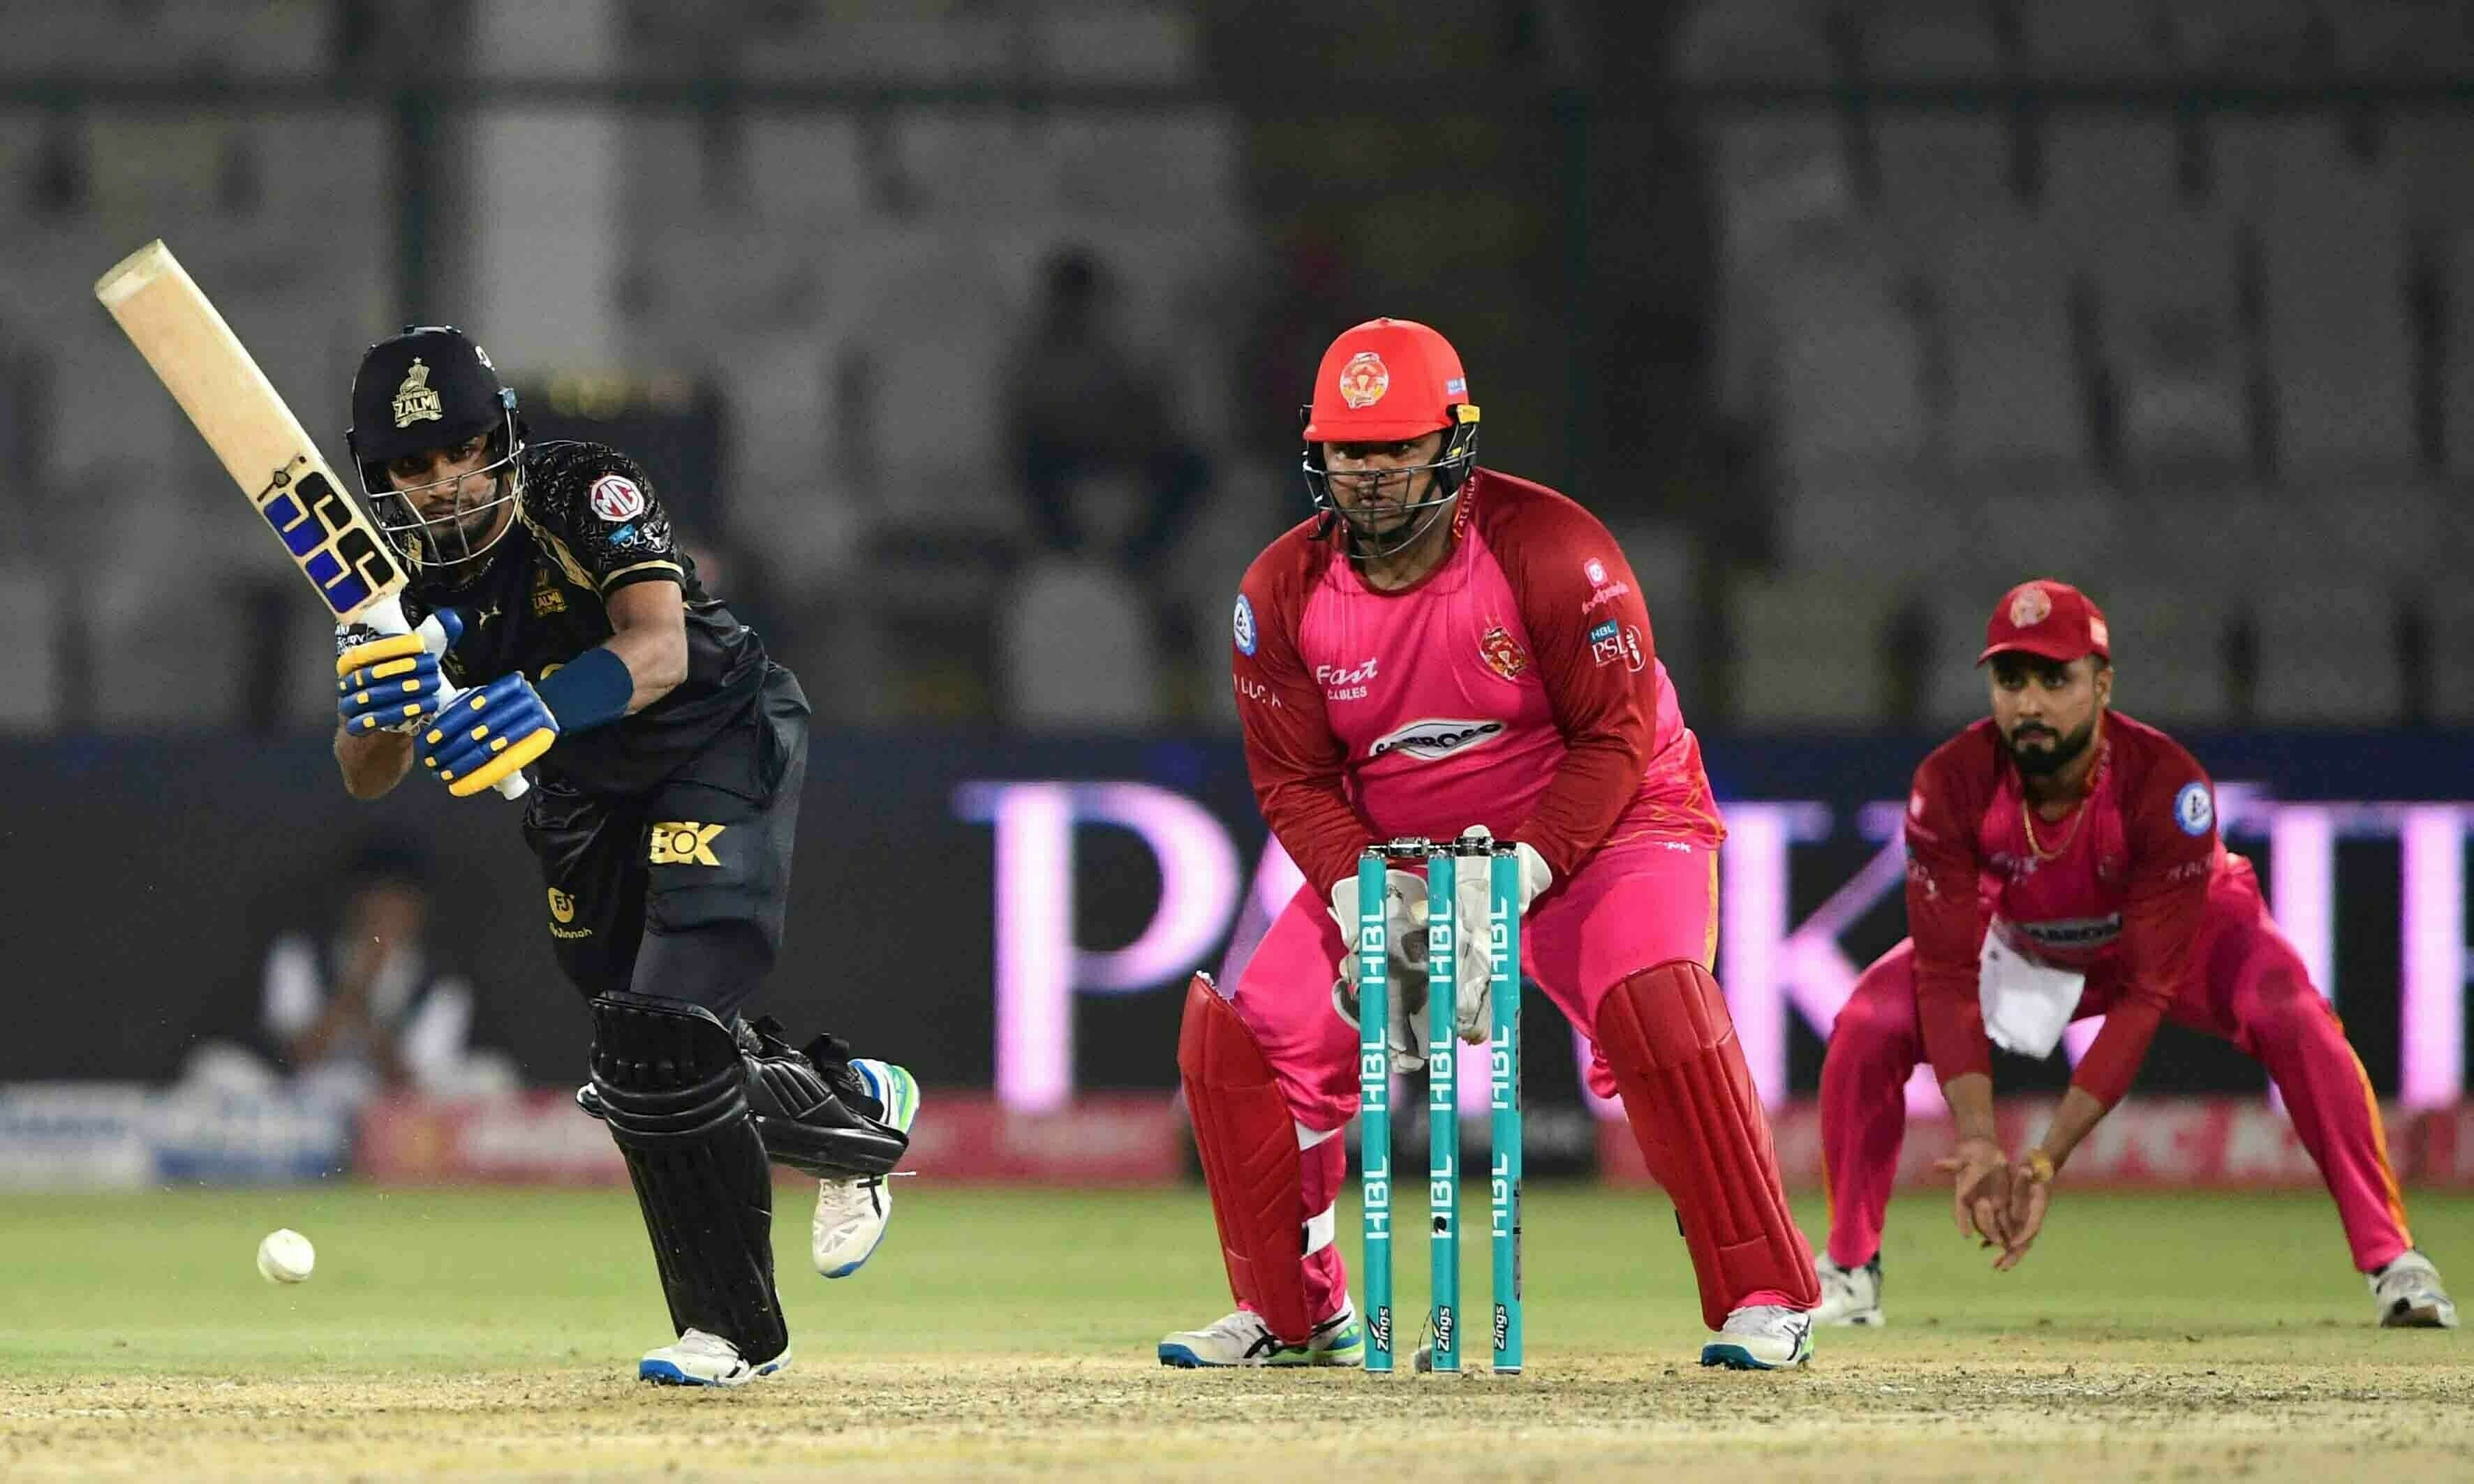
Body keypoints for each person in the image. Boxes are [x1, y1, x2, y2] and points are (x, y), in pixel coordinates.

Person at [1165, 318, 1819, 1371]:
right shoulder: (1278, 594)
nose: (1370, 478)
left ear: (1453, 442)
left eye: (1394, 451)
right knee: (1256, 1040)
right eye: (1348, 452)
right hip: (1403, 848)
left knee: (1656, 1001)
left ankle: (1766, 1293)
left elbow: (1616, 737)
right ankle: (1298, 1310)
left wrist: (1520, 873)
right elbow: (1292, 777)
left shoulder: (1556, 551)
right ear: (1314, 452)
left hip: (1609, 826)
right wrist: (1357, 894)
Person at [329, 327, 924, 1385]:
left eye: (461, 452)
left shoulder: (584, 489)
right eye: (414, 469)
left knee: (666, 1021)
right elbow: (366, 771)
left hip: (710, 737)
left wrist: (538, 709)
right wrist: (372, 710)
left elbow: (660, 646)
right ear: (383, 480)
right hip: (581, 797)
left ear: (501, 438)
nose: (443, 485)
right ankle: (855, 1109)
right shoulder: (387, 583)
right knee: (640, 1056)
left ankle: (734, 1334)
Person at [1811, 579, 2456, 1330]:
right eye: (2011, 679)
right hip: (2031, 939)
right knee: (1868, 1019)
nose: (2030, 703)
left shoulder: (2164, 783)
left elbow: (2146, 992)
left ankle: (2394, 1261)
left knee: (2292, 1015)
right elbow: (1947, 973)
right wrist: (1980, 1139)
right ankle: (1849, 1271)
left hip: (2185, 937)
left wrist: (2046, 1157)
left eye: (2056, 678)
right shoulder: (1947, 786)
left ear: (2102, 684)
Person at [181, 840, 517, 1108]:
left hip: (394, 1110)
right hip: (305, 1098)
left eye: (399, 901)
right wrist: (357, 985)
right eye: (378, 900)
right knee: (214, 1067)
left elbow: (408, 1079)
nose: (388, 913)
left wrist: (369, 997)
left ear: (418, 910)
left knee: (492, 1076)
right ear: (355, 903)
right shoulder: (302, 954)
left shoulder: (440, 980)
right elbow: (301, 1056)